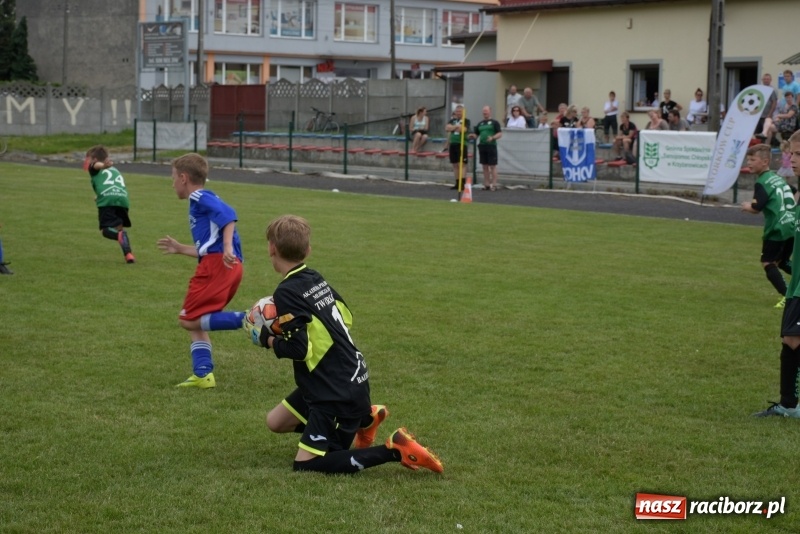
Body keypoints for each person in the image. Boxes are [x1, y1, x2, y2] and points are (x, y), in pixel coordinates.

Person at [244, 214, 444, 473]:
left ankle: (395, 450)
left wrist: (267, 338)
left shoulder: (286, 291)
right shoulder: (313, 277)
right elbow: (345, 315)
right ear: (308, 250)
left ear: (271, 248)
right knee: (275, 422)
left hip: (336, 393)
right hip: (342, 377)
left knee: (307, 465)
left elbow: (299, 349)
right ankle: (364, 419)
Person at [157, 153, 246, 389]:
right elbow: (210, 247)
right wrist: (180, 249)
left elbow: (228, 215)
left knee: (189, 320)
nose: (172, 182)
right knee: (196, 322)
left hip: (218, 266)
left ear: (184, 178)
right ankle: (203, 374)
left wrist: (227, 247)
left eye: (173, 177)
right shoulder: (204, 198)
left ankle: (252, 319)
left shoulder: (198, 195)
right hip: (225, 265)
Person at [753, 131, 800, 418]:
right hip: (796, 284)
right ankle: (788, 405)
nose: (791, 160)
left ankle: (788, 405)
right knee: (791, 340)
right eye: (791, 154)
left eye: (797, 155)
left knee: (793, 340)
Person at [739, 144, 795, 309]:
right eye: (748, 159)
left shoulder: (762, 182)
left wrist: (747, 206)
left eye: (753, 160)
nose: (749, 163)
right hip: (791, 225)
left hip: (777, 228)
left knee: (767, 262)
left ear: (765, 161)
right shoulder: (777, 178)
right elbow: (793, 190)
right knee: (783, 261)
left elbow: (757, 208)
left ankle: (788, 297)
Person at [84, 146, 135, 264]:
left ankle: (122, 240)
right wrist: (99, 195)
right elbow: (111, 184)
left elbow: (96, 166)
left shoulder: (96, 166)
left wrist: (102, 166)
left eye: (89, 159)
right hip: (122, 199)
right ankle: (128, 255)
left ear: (95, 159)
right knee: (119, 229)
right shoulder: (115, 169)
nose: (88, 162)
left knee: (106, 230)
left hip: (108, 200)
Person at [469, 106, 503, 191]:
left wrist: (492, 138)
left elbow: (499, 133)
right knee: (484, 166)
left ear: (490, 112)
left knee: (492, 166)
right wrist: (473, 136)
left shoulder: (494, 122)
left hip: (491, 146)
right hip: (482, 146)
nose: (485, 113)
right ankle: (486, 184)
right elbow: (477, 134)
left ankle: (494, 184)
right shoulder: (480, 123)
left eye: (486, 111)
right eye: (484, 111)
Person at [446, 105, 471, 189]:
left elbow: (463, 129)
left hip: (461, 144)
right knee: (455, 164)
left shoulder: (466, 121)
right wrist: (456, 127)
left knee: (462, 164)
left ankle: (462, 183)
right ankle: (457, 183)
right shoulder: (452, 120)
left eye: (460, 111)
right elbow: (447, 128)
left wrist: (454, 128)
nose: (458, 113)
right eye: (457, 111)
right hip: (453, 143)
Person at [756, 73, 779, 140]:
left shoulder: (772, 90)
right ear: (762, 80)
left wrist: (770, 114)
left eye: (767, 79)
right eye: (765, 79)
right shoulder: (759, 89)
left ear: (770, 80)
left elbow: (774, 102)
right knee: (757, 133)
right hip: (758, 115)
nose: (766, 80)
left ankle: (764, 147)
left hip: (766, 116)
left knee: (765, 132)